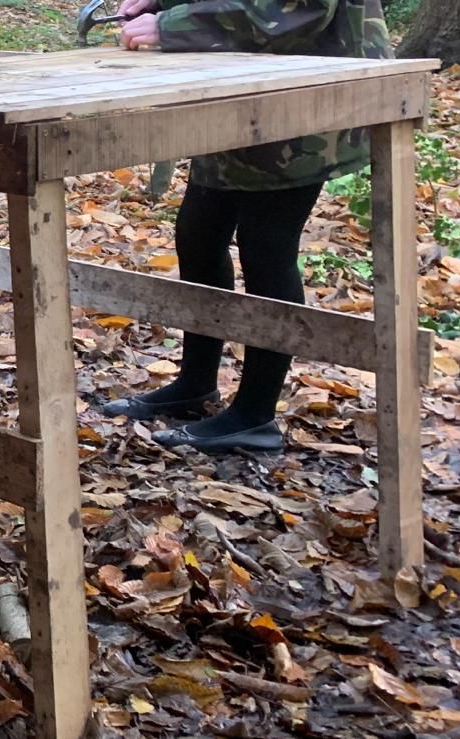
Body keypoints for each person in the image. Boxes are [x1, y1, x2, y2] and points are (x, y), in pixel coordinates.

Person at [104, 0, 392, 452]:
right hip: (238, 94)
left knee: (267, 246)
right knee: (198, 235)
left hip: (309, 102)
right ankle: (195, 385)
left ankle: (255, 415)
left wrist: (172, 24)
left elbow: (296, 12)